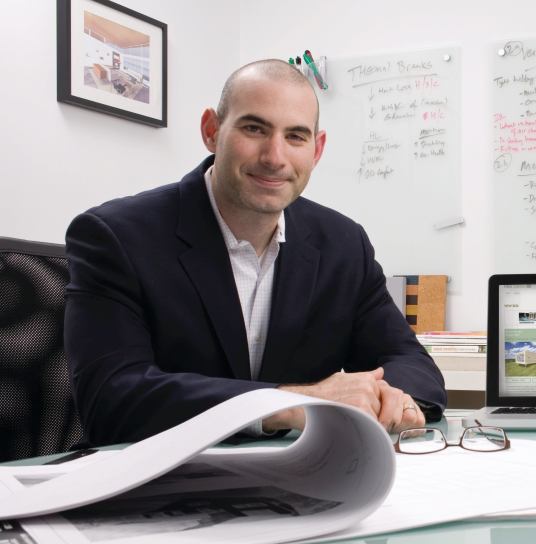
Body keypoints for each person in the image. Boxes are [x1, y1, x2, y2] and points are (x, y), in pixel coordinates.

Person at [65, 60, 445, 446]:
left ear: (317, 150)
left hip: (307, 472)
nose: (274, 157)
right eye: (254, 129)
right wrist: (290, 404)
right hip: (161, 473)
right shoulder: (116, 237)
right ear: (211, 131)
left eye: (295, 136)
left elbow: (413, 366)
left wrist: (390, 398)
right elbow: (111, 398)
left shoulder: (343, 244)